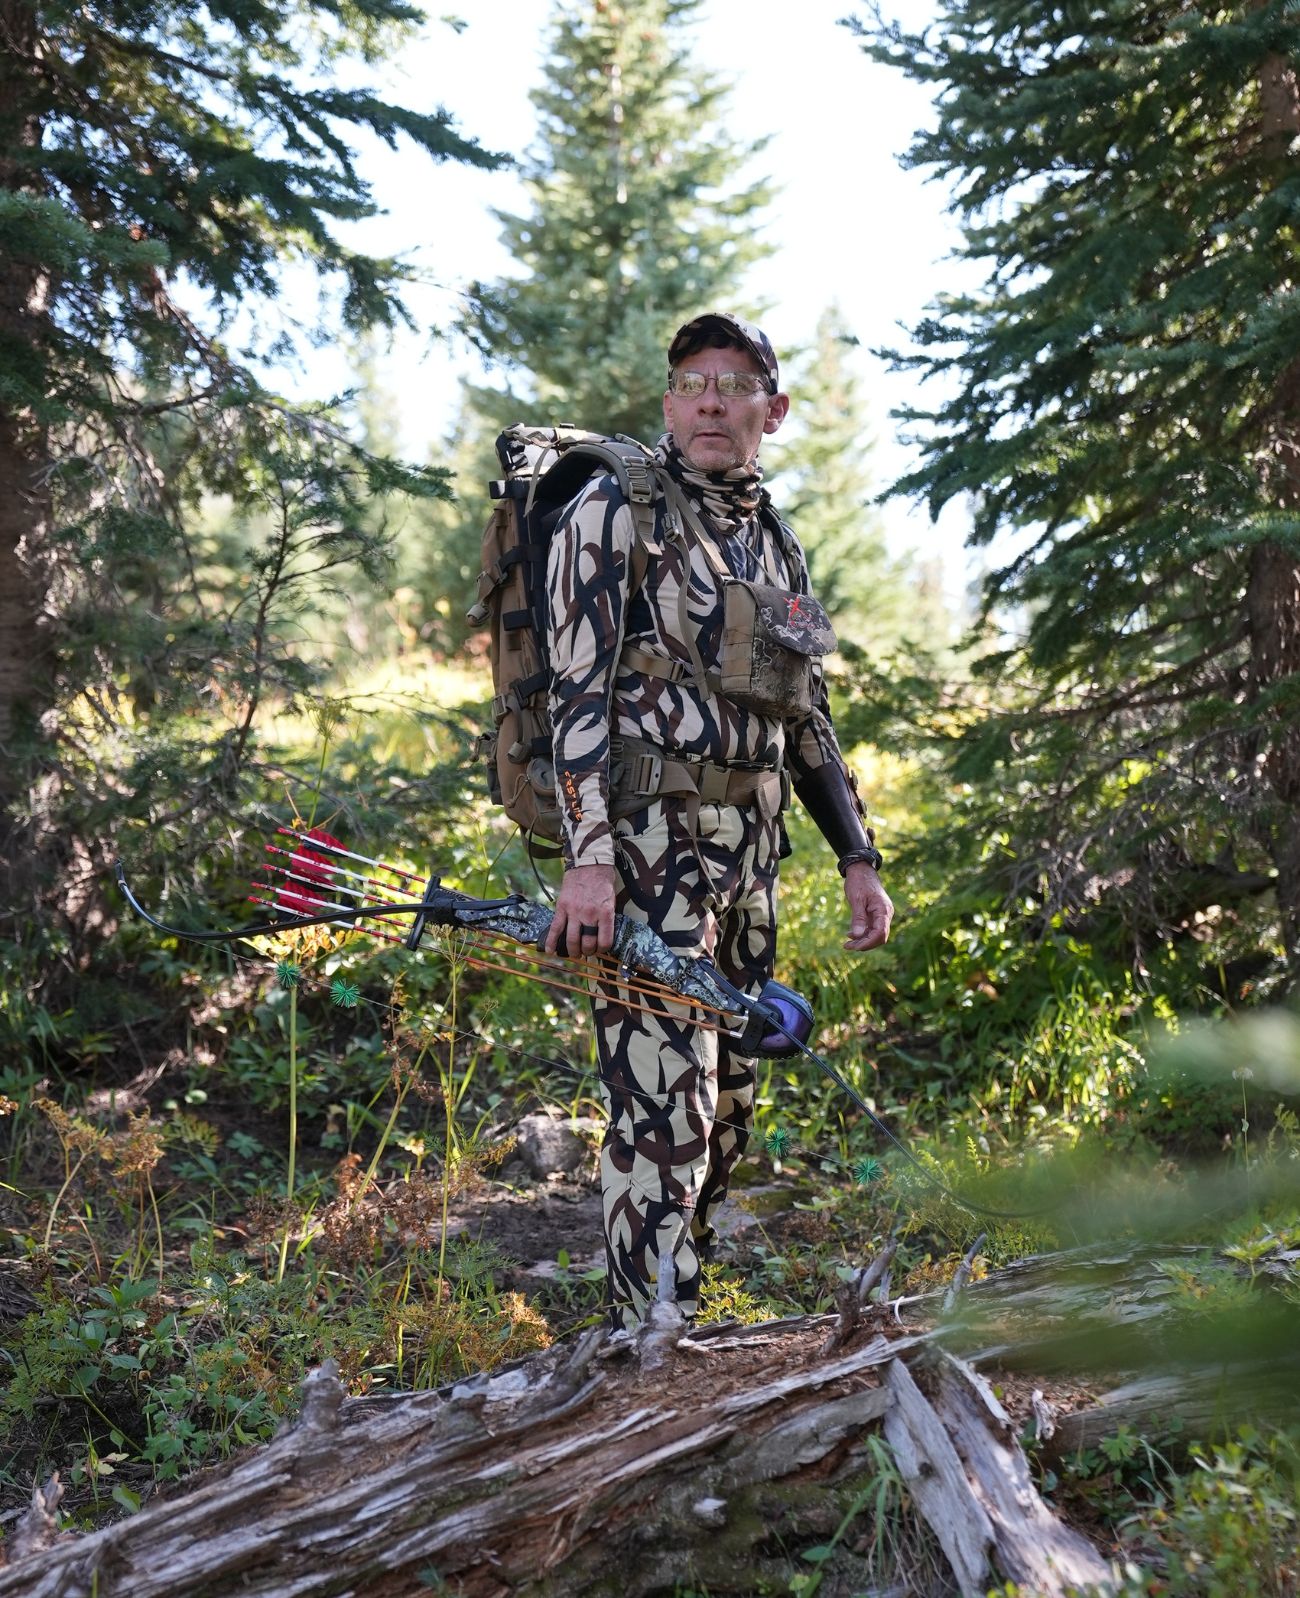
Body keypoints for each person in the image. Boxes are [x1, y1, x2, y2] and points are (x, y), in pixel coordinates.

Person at [542, 312, 893, 1331]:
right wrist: (591, 863)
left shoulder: (771, 536)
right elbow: (575, 695)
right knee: (664, 1111)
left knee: (728, 1107)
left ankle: (675, 1320)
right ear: (668, 403)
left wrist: (857, 856)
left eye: (733, 384)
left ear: (769, 412)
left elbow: (808, 716)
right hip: (647, 855)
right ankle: (643, 1348)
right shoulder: (617, 510)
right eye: (691, 381)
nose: (709, 399)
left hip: (748, 865)